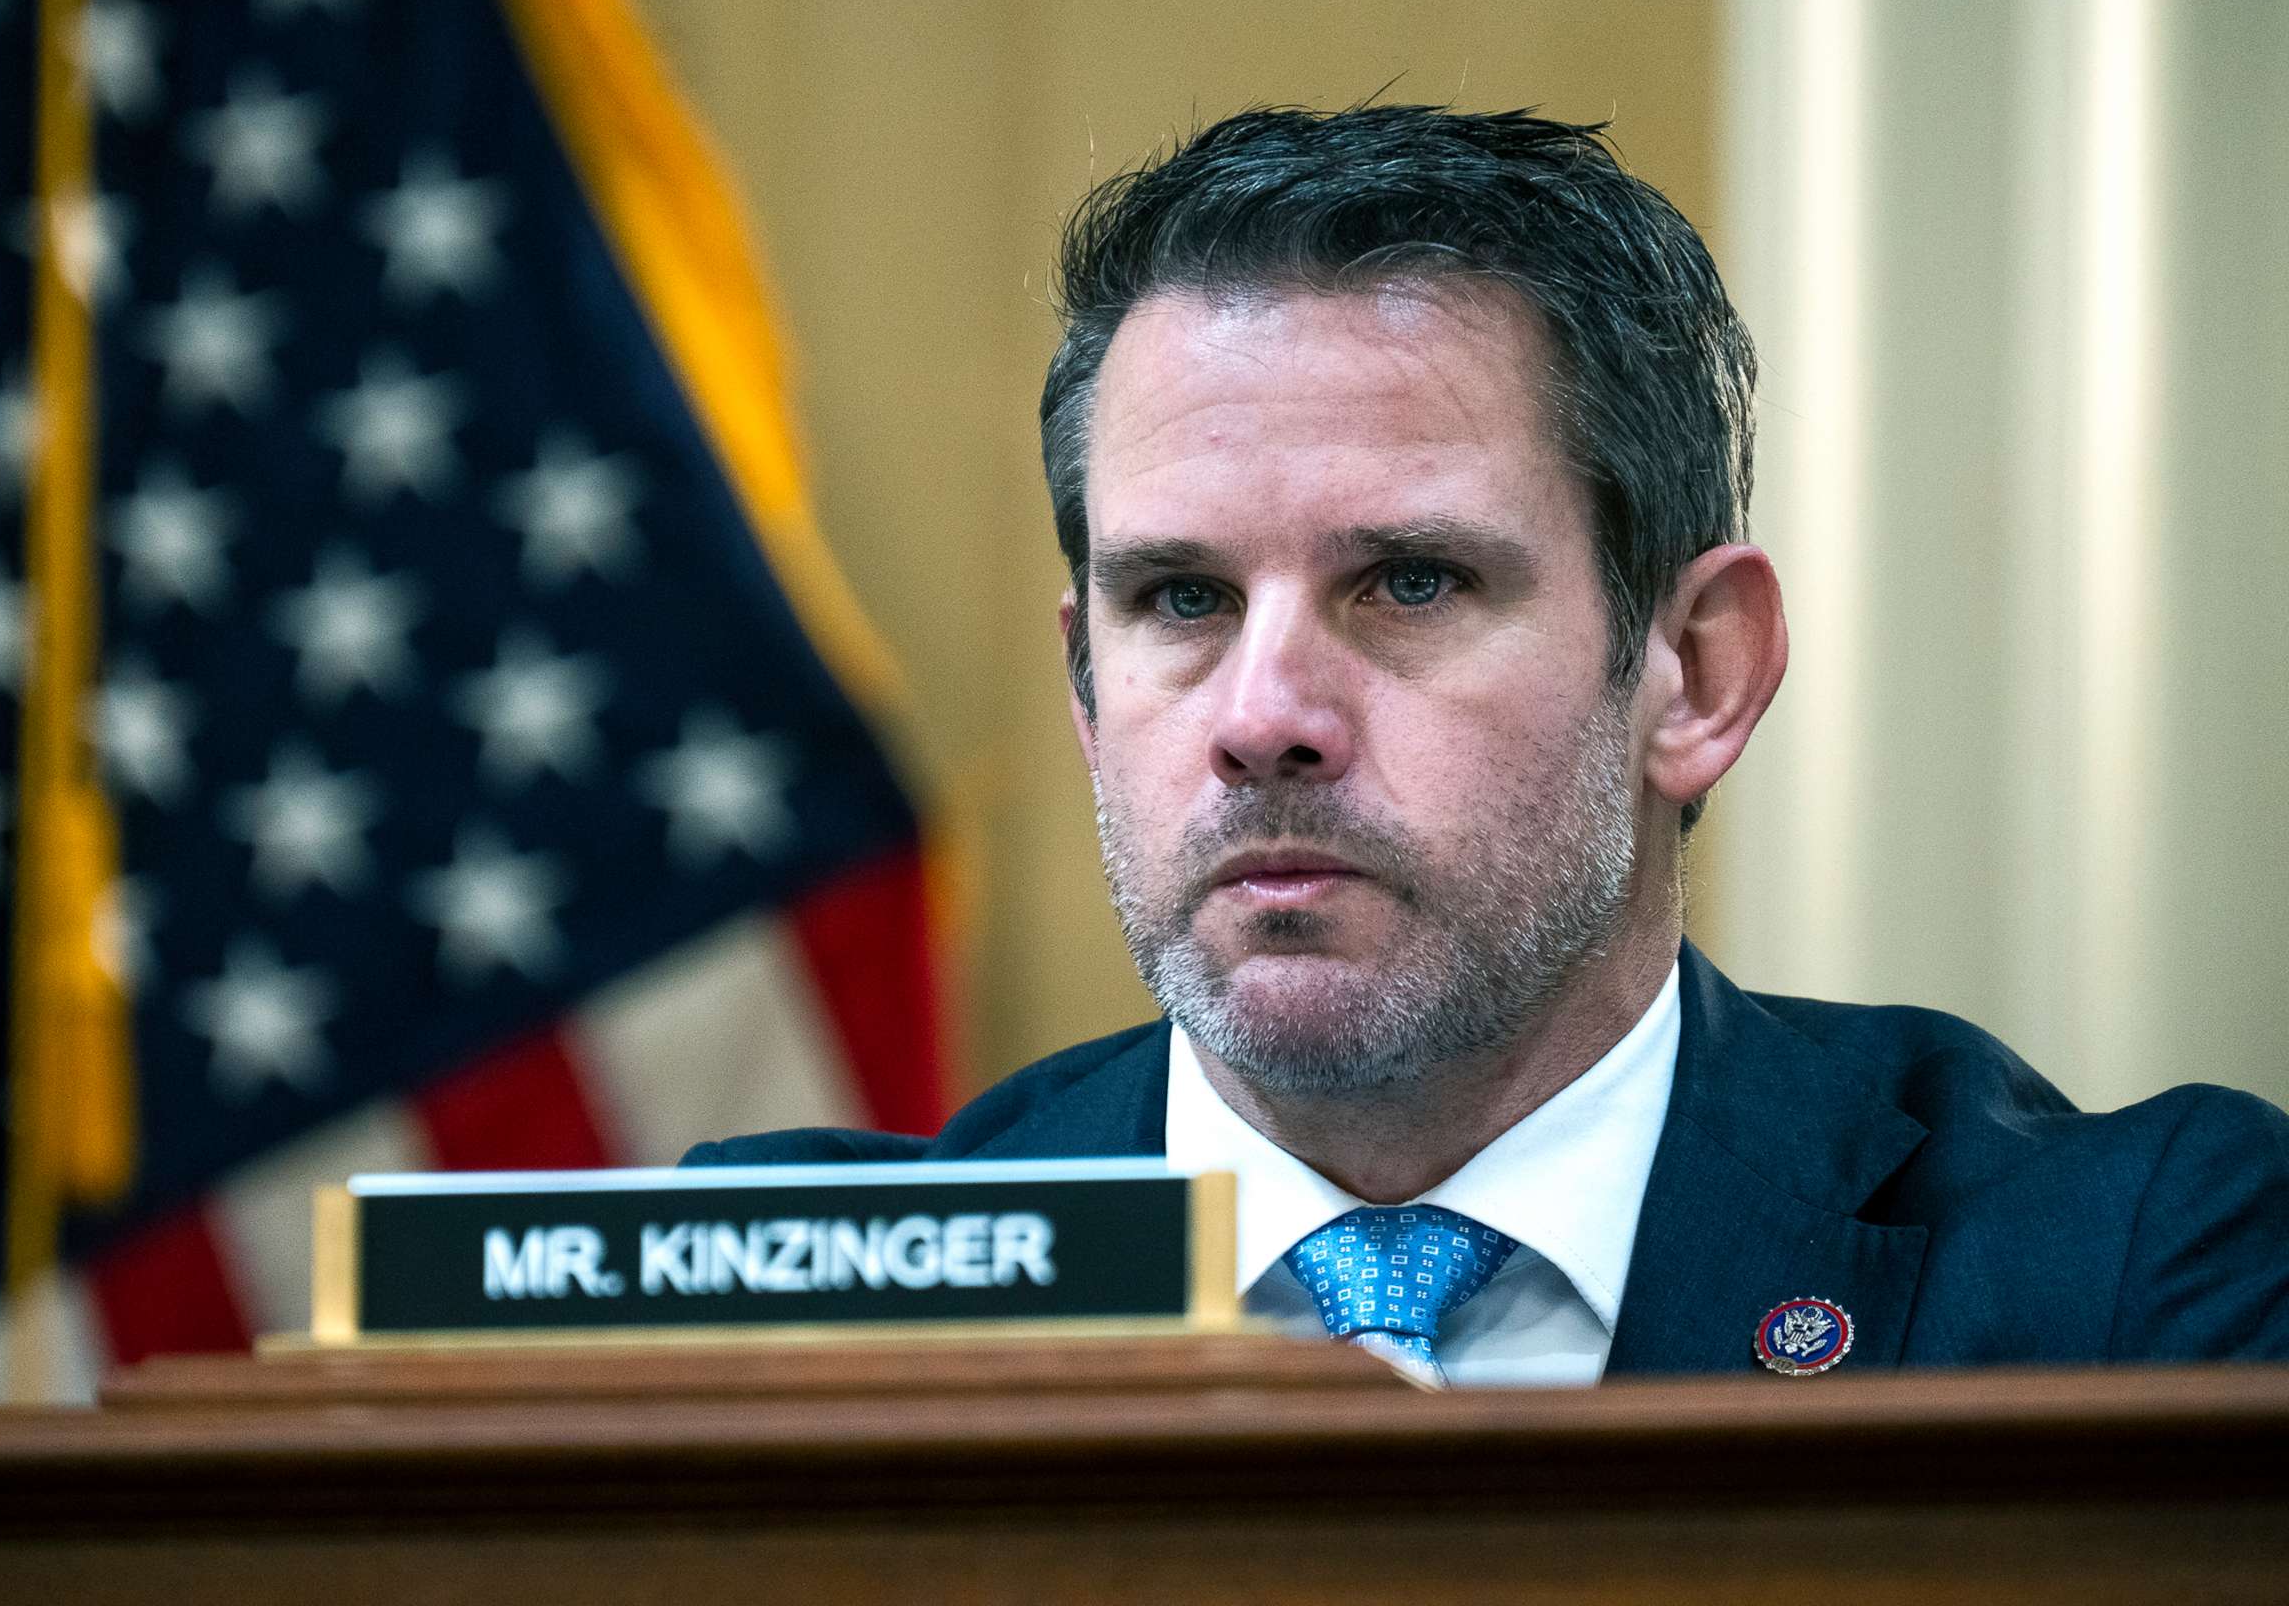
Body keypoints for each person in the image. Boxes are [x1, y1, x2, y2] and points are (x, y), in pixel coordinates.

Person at [685, 106, 2289, 1382]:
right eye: (1180, 598)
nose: (1261, 720)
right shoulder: (771, 1309)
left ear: (1697, 673)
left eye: (1411, 581)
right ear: (1087, 688)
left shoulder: (2137, 1282)